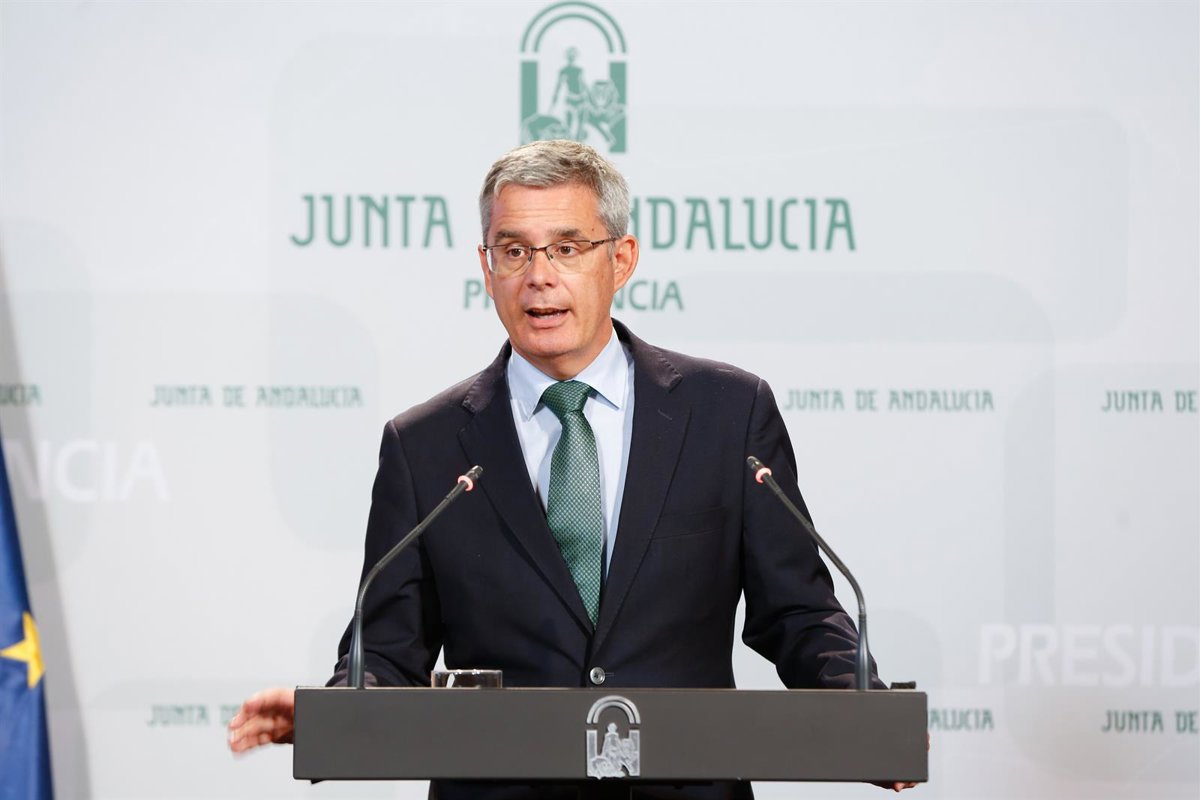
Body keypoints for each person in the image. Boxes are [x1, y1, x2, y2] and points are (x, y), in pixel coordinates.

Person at [228, 140, 917, 797]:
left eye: (566, 248)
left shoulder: (727, 414)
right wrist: (334, 714)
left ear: (621, 259)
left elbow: (797, 612)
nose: (539, 276)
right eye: (513, 251)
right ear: (486, 267)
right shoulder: (425, 446)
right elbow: (387, 651)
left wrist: (866, 718)